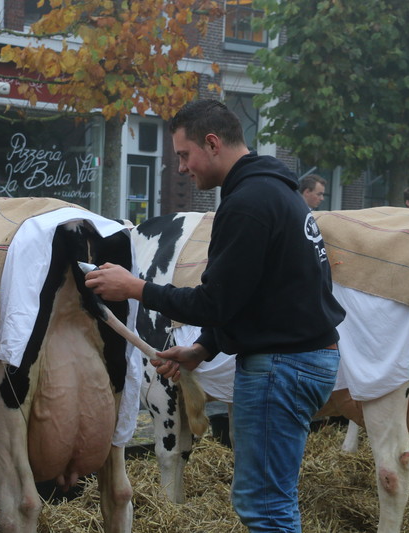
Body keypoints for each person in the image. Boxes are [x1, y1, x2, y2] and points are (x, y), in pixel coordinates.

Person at [84, 99, 345, 533]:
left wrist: (136, 288)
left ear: (212, 143)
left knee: (265, 506)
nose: (182, 168)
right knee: (270, 499)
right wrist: (204, 347)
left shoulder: (248, 203)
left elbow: (214, 303)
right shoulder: (275, 192)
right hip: (304, 357)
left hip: (282, 366)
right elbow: (261, 294)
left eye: (184, 155)